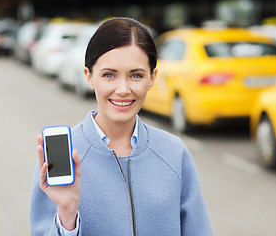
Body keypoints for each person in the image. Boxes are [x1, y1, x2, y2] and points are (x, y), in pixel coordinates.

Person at [30, 17, 212, 236]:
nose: (123, 89)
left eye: (136, 75)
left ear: (152, 78)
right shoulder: (63, 158)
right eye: (109, 75)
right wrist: (67, 217)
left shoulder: (174, 153)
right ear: (89, 77)